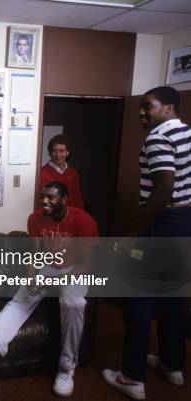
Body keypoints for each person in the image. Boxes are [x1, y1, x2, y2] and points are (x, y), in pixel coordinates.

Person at [0, 181, 98, 397]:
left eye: (50, 197)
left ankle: (66, 367)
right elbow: (36, 254)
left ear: (64, 200)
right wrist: (33, 275)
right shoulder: (35, 219)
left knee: (73, 303)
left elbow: (87, 263)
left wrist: (53, 282)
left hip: (75, 269)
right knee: (22, 298)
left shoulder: (84, 221)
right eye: (42, 196)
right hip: (49, 265)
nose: (44, 201)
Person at [102, 86, 190, 400]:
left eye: (147, 106)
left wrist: (131, 235)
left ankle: (132, 377)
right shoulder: (188, 135)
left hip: (161, 223)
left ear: (168, 108)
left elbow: (163, 190)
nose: (141, 112)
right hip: (184, 223)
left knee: (138, 300)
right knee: (172, 297)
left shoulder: (157, 138)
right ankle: (172, 365)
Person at [39, 135, 85, 210]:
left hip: (70, 216)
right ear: (50, 152)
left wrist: (82, 216)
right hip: (51, 217)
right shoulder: (41, 173)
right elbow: (41, 201)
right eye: (54, 151)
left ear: (67, 152)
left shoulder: (72, 173)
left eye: (61, 151)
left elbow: (77, 198)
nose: (58, 155)